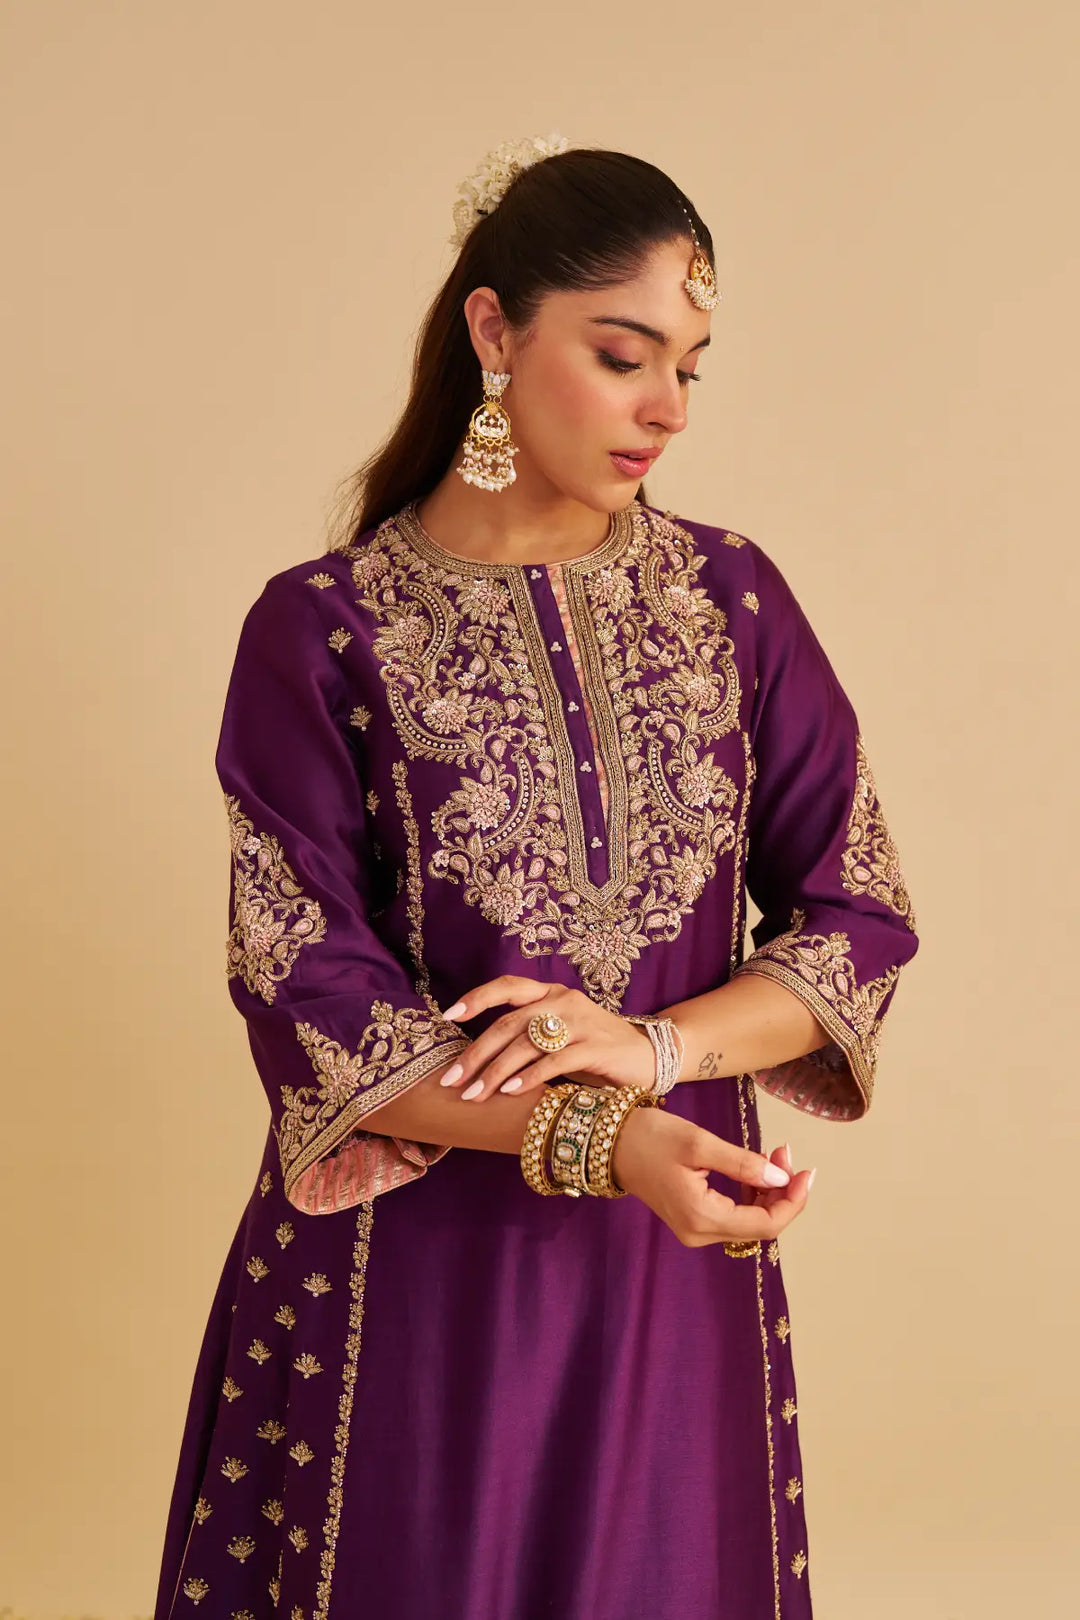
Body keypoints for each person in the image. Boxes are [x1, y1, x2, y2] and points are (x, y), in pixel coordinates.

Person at [153, 135, 919, 1620]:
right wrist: (601, 1139)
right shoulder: (322, 633)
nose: (667, 406)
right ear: (495, 331)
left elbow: (859, 918)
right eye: (624, 355)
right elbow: (310, 998)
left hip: (667, 1277)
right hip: (407, 1293)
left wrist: (653, 1052)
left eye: (689, 366)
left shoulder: (734, 604)